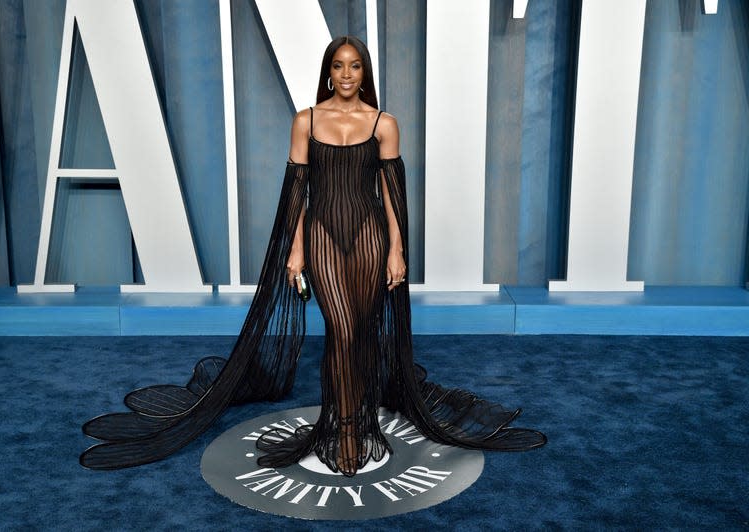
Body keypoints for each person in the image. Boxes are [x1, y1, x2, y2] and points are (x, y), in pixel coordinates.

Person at [80, 36, 546, 477]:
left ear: (364, 73)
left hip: (370, 237)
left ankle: (359, 422)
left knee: (359, 332)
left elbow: (391, 195)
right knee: (341, 332)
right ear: (328, 74)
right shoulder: (305, 120)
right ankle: (345, 433)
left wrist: (398, 251)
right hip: (321, 234)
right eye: (338, 66)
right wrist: (296, 250)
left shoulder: (384, 123)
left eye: (355, 66)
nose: (346, 74)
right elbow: (297, 193)